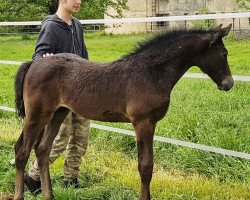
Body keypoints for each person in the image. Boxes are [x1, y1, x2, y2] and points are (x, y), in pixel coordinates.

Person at [24, 0, 90, 194]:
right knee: (60, 137)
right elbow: (38, 57)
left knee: (81, 137)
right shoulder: (52, 25)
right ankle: (33, 175)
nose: (78, 1)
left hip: (82, 91)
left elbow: (84, 57)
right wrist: (45, 60)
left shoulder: (76, 25)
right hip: (60, 94)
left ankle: (71, 177)